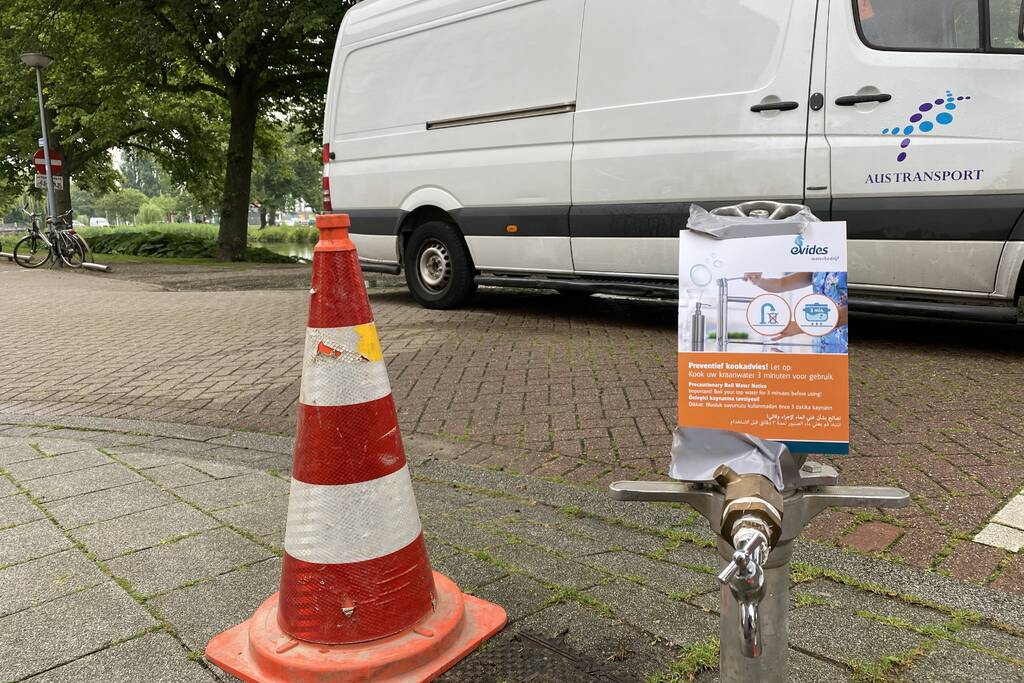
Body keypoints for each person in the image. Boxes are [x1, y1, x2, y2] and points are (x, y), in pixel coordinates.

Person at [742, 272, 848, 353]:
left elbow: (849, 311)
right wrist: (759, 281)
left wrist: (800, 326)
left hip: (845, 346)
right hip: (821, 346)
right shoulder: (821, 264)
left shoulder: (850, 262)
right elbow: (781, 284)